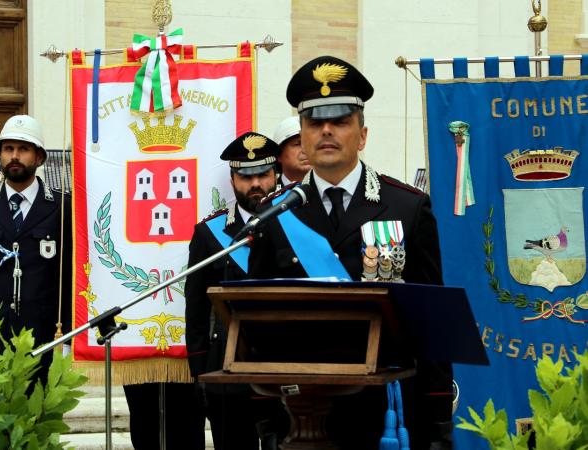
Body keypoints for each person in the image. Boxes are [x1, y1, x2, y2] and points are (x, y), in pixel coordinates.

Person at [247, 56, 452, 449]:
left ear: (362, 135)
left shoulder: (406, 207)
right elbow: (258, 326)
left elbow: (432, 326)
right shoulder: (275, 215)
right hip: (301, 411)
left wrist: (438, 417)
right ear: (302, 137)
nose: (326, 131)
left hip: (388, 409)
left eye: (340, 121)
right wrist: (266, 421)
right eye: (313, 123)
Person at [185, 132, 287, 450]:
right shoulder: (209, 233)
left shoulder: (297, 225)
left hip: (285, 366)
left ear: (277, 175)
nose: (255, 183)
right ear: (232, 179)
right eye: (246, 176)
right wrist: (200, 373)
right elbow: (196, 310)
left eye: (263, 174)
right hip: (227, 370)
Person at [0, 114, 72, 382]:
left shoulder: (61, 207)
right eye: (8, 149)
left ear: (39, 157)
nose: (14, 156)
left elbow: (69, 275)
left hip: (42, 335)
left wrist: (66, 334)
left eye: (23, 149)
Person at [273, 115, 310, 186]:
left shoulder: (332, 192)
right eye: (297, 144)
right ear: (279, 155)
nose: (306, 150)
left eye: (310, 143)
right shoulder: (268, 193)